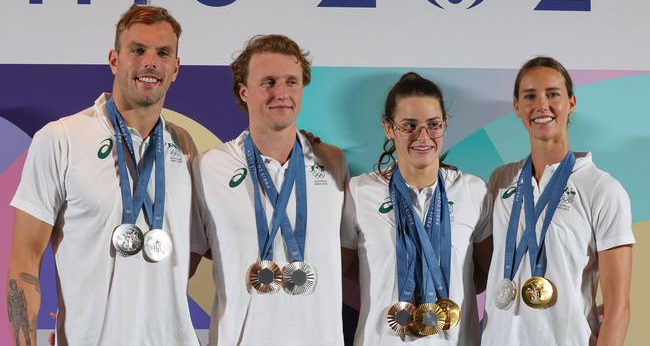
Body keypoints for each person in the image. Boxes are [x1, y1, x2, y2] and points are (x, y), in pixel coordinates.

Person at [7, 4, 200, 346]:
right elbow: (25, 257)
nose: (150, 62)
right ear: (114, 60)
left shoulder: (183, 146)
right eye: (137, 50)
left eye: (163, 53)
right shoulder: (61, 138)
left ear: (176, 68)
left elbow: (199, 244)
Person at [190, 34, 349, 345]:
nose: (282, 93)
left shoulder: (332, 161)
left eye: (292, 81)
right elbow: (185, 264)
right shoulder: (209, 167)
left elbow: (349, 258)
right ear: (244, 91)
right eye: (269, 82)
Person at [480, 56, 634, 345]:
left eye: (552, 94)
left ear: (571, 103)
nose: (541, 105)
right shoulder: (500, 180)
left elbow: (618, 307)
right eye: (530, 96)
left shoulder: (602, 189)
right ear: (516, 107)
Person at [340, 72, 491, 345]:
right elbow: (339, 270)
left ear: (445, 125)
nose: (423, 137)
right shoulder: (359, 192)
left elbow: (483, 273)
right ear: (389, 128)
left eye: (433, 125)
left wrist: (435, 284)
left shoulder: (473, 190)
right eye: (409, 125)